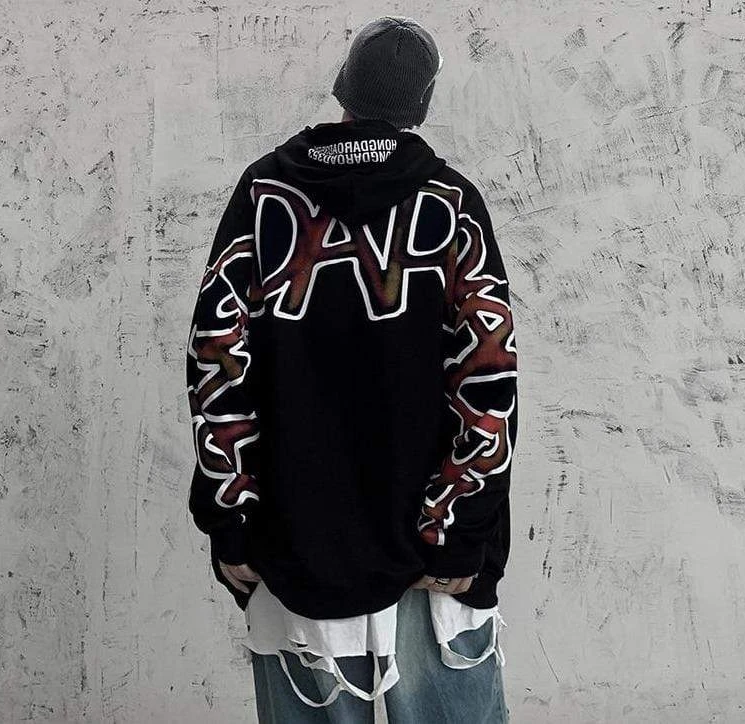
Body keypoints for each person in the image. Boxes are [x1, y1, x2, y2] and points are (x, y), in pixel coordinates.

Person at [185, 15, 518, 723]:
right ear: (421, 104)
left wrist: (232, 515)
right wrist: (461, 529)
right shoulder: (451, 205)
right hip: (430, 552)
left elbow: (216, 357)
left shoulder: (265, 197)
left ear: (342, 88)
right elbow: (487, 377)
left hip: (294, 546)